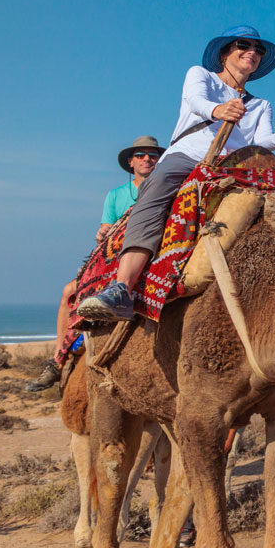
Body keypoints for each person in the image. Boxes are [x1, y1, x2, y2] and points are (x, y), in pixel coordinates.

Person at [75, 25, 275, 323]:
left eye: (258, 50)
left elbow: (260, 142)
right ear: (224, 53)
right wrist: (218, 110)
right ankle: (122, 289)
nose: (253, 52)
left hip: (237, 166)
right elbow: (196, 101)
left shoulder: (261, 105)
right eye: (243, 45)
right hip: (189, 156)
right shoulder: (201, 75)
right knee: (154, 194)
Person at [25, 135, 165, 391]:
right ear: (131, 162)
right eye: (141, 155)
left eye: (152, 155)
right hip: (116, 256)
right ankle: (58, 359)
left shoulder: (167, 187)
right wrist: (102, 234)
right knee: (70, 291)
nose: (147, 159)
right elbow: (105, 231)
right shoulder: (116, 195)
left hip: (156, 253)